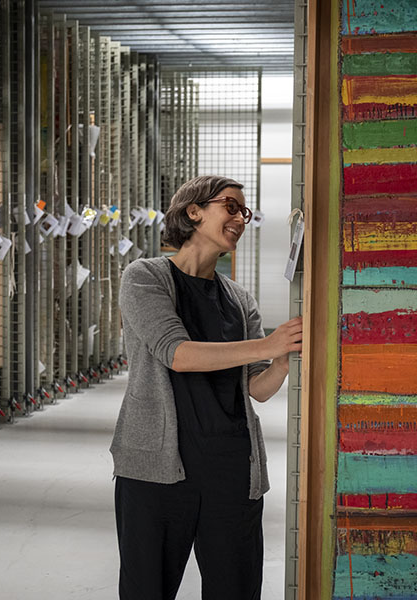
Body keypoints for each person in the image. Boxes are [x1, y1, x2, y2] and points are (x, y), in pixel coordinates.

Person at [110, 175, 303, 599]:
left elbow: (257, 387)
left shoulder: (239, 299)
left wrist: (283, 358)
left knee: (235, 590)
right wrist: (267, 342)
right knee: (147, 589)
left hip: (232, 471)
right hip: (157, 472)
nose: (240, 219)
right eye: (230, 207)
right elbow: (176, 353)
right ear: (193, 211)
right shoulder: (144, 278)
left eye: (244, 213)